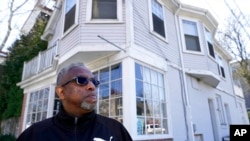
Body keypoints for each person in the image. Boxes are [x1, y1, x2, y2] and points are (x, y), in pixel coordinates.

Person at [17, 62, 132, 141]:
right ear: (61, 92)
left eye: (94, 82)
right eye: (81, 80)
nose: (92, 86)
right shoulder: (34, 135)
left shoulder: (115, 130)